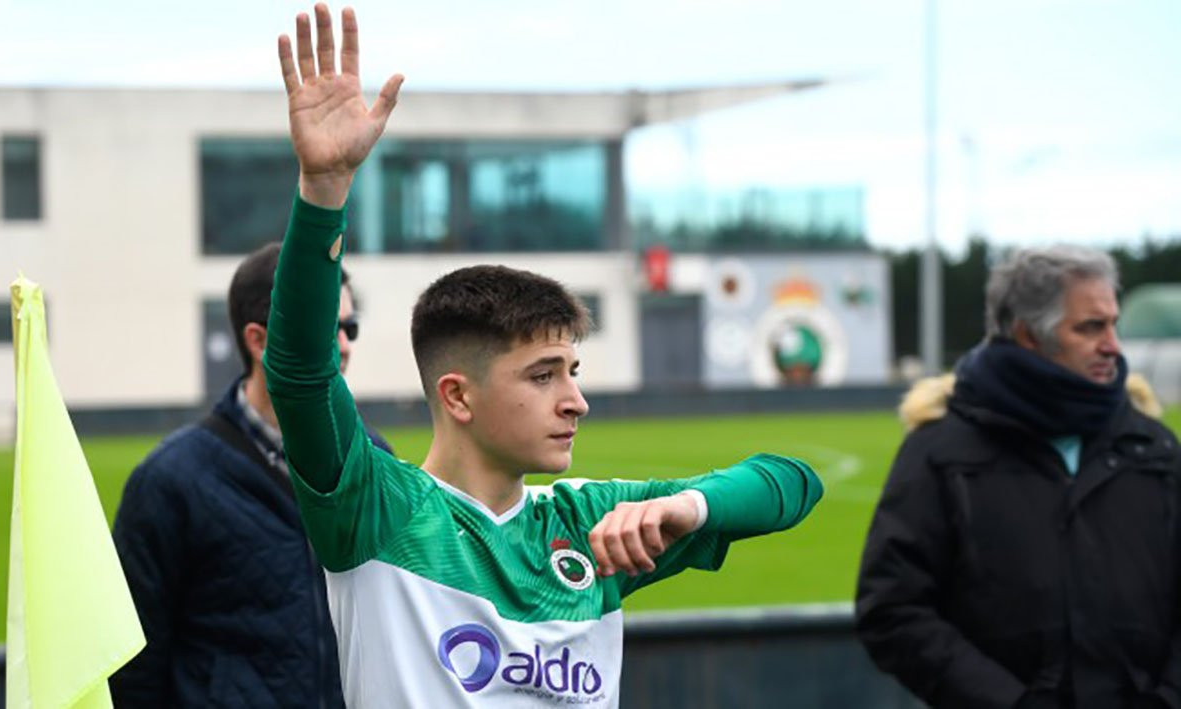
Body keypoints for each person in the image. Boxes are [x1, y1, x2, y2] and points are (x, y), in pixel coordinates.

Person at [263, 5, 824, 706]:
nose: (575, 400)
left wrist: (687, 507)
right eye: (542, 375)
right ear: (457, 395)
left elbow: (792, 483)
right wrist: (324, 191)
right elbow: (301, 372)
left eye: (573, 372)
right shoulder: (378, 510)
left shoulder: (588, 527)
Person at [856, 245, 1181, 708]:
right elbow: (891, 610)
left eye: (1113, 324)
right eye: (1091, 327)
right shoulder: (941, 453)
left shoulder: (1153, 448)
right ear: (1029, 335)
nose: (1113, 345)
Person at [110, 242, 392, 707]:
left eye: (350, 327)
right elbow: (134, 668)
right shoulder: (170, 479)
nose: (344, 345)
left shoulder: (373, 458)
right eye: (325, 325)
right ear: (257, 340)